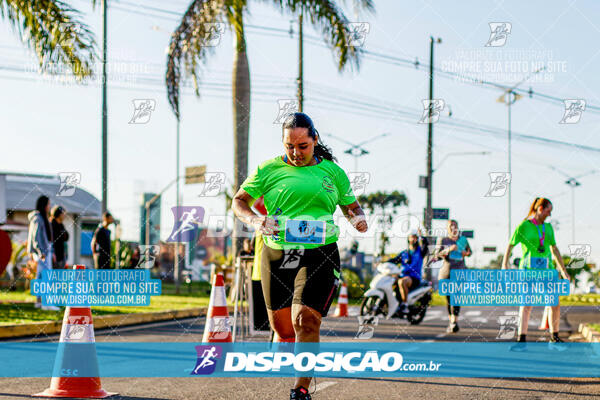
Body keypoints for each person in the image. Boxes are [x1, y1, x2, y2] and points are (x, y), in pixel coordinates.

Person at [232, 112, 368, 400]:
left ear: (314, 140)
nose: (295, 153)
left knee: (305, 320)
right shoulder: (268, 169)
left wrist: (358, 219)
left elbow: (351, 207)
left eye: (302, 146)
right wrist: (257, 221)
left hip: (320, 252)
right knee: (282, 327)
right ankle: (293, 346)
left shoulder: (333, 172)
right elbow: (239, 202)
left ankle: (301, 388)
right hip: (277, 252)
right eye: (289, 146)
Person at [502, 197, 570, 351]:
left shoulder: (548, 228)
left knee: (554, 303)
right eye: (548, 210)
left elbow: (554, 249)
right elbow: (510, 245)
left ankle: (554, 338)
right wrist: (504, 264)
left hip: (547, 272)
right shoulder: (524, 226)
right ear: (539, 208)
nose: (549, 214)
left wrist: (563, 270)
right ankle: (522, 341)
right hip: (528, 272)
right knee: (526, 305)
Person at [434, 219, 471, 333]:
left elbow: (469, 252)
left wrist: (466, 253)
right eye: (450, 226)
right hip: (446, 272)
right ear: (447, 228)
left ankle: (454, 321)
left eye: (454, 225)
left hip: (460, 271)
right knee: (449, 298)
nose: (453, 228)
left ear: (458, 227)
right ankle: (452, 321)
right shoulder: (443, 240)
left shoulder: (463, 240)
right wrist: (449, 249)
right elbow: (437, 255)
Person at [27, 195, 59, 310]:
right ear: (44, 205)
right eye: (48, 204)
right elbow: (36, 237)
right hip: (42, 253)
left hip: (45, 252)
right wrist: (41, 252)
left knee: (40, 278)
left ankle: (39, 302)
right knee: (46, 278)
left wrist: (52, 252)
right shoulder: (38, 218)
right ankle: (47, 304)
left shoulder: (42, 218)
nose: (50, 206)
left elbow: (47, 239)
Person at [389, 229, 429, 313]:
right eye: (411, 237)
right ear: (408, 239)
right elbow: (395, 260)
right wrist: (383, 262)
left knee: (401, 282)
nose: (413, 239)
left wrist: (422, 236)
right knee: (390, 280)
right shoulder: (404, 253)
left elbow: (426, 244)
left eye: (415, 237)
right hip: (403, 276)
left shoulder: (420, 251)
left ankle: (405, 305)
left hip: (414, 278)